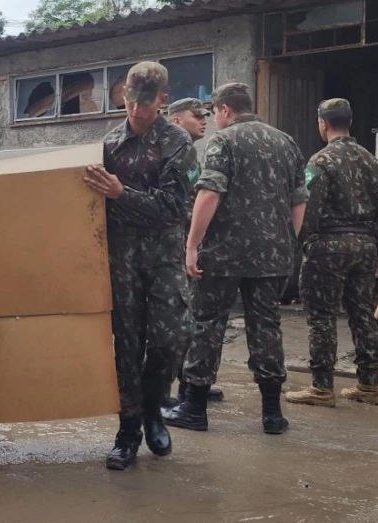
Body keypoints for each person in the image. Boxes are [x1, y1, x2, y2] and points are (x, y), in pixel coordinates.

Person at [163, 82, 308, 435]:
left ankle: (194, 408)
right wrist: (287, 242)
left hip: (224, 255)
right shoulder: (285, 142)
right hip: (271, 256)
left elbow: (209, 192)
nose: (212, 120)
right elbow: (299, 200)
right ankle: (272, 414)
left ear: (225, 109)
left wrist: (192, 245)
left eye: (213, 113)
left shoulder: (224, 141)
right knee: (267, 327)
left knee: (208, 324)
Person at [84, 62, 196, 471]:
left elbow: (172, 207)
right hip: (121, 257)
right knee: (126, 345)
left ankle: (153, 408)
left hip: (164, 255)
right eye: (130, 102)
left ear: (162, 100)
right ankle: (128, 430)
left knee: (171, 338)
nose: (135, 110)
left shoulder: (178, 142)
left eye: (144, 105)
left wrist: (120, 192)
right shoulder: (110, 142)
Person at [285, 99, 378, 408]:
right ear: (350, 121)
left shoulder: (319, 162)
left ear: (323, 123)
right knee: (363, 314)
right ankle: (369, 385)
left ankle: (321, 386)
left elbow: (309, 210)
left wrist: (300, 245)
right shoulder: (372, 161)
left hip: (328, 246)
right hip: (365, 246)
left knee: (321, 316)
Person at [164, 97, 225, 408]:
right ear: (176, 120)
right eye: (196, 115)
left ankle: (188, 381)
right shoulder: (173, 149)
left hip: (184, 243)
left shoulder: (189, 152)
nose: (204, 120)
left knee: (187, 319)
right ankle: (165, 392)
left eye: (206, 115)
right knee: (172, 321)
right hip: (170, 246)